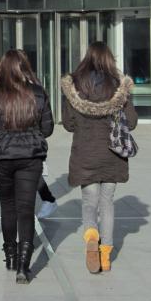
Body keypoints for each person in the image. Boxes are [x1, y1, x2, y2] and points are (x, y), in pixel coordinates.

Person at [0, 49, 54, 284]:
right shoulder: (37, 93)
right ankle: (23, 267)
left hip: (2, 157)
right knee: (26, 210)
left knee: (7, 207)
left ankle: (10, 257)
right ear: (25, 67)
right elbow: (47, 128)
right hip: (31, 157)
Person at [61, 41, 138, 274]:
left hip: (85, 154)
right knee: (107, 203)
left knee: (89, 201)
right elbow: (132, 122)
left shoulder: (75, 87)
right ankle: (105, 256)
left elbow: (69, 124)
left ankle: (91, 236)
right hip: (112, 156)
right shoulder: (118, 86)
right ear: (109, 59)